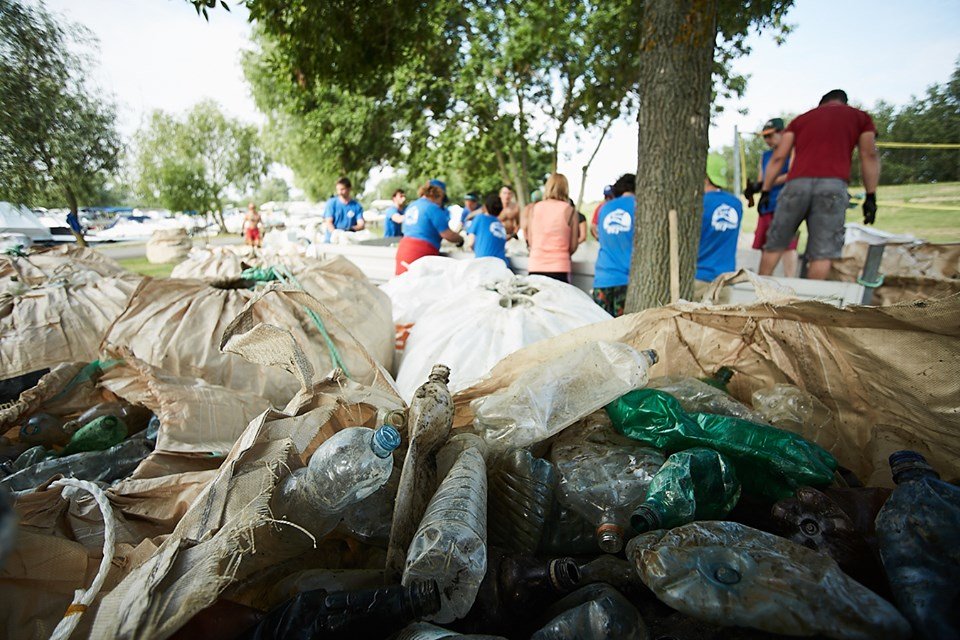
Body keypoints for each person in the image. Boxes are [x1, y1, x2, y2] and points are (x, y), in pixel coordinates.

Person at [758, 89, 879, 280]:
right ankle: (808, 305)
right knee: (822, 251)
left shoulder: (801, 119)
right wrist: (871, 195)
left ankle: (759, 291)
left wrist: (765, 190)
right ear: (844, 102)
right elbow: (869, 155)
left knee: (776, 242)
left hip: (796, 185)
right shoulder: (859, 117)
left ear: (821, 103)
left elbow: (778, 157)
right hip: (832, 186)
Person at [744, 117, 798, 277]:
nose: (767, 140)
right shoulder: (766, 155)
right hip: (768, 204)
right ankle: (765, 281)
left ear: (782, 133)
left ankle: (791, 280)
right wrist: (755, 188)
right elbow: (763, 178)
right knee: (766, 244)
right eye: (764, 136)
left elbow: (792, 175)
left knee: (789, 245)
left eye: (770, 135)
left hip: (786, 204)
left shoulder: (793, 151)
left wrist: (768, 183)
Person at [696, 156, 743, 297]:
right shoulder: (736, 204)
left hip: (698, 279)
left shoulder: (699, 204)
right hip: (725, 283)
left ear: (704, 176)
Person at [395, 181, 464, 275]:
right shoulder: (433, 208)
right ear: (439, 195)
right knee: (420, 286)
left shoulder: (413, 205)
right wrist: (460, 239)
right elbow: (447, 234)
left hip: (404, 249)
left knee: (402, 284)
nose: (441, 204)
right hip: (420, 252)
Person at [592, 174, 635, 317]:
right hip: (626, 281)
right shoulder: (640, 206)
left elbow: (599, 235)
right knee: (623, 334)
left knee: (600, 332)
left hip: (602, 279)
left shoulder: (604, 208)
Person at [524, 173, 579, 283]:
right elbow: (573, 245)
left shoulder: (534, 209)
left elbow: (530, 241)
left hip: (536, 265)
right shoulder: (570, 211)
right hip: (559, 267)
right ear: (566, 188)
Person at [466, 192, 507, 265]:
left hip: (485, 263)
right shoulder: (500, 224)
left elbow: (470, 243)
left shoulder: (480, 218)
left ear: (485, 207)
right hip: (502, 264)